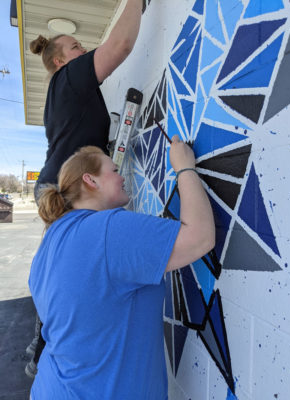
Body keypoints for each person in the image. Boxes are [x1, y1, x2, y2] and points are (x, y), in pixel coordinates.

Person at [28, 138, 215, 399]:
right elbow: (200, 237)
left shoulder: (52, 239)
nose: (122, 176)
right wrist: (184, 168)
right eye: (114, 171)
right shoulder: (106, 229)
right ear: (91, 181)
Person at [25, 0, 144, 377]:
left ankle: (43, 338)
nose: (84, 51)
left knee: (68, 266)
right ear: (61, 61)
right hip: (64, 184)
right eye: (76, 47)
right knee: (70, 268)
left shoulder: (69, 91)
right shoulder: (69, 77)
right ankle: (43, 341)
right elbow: (119, 46)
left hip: (60, 182)